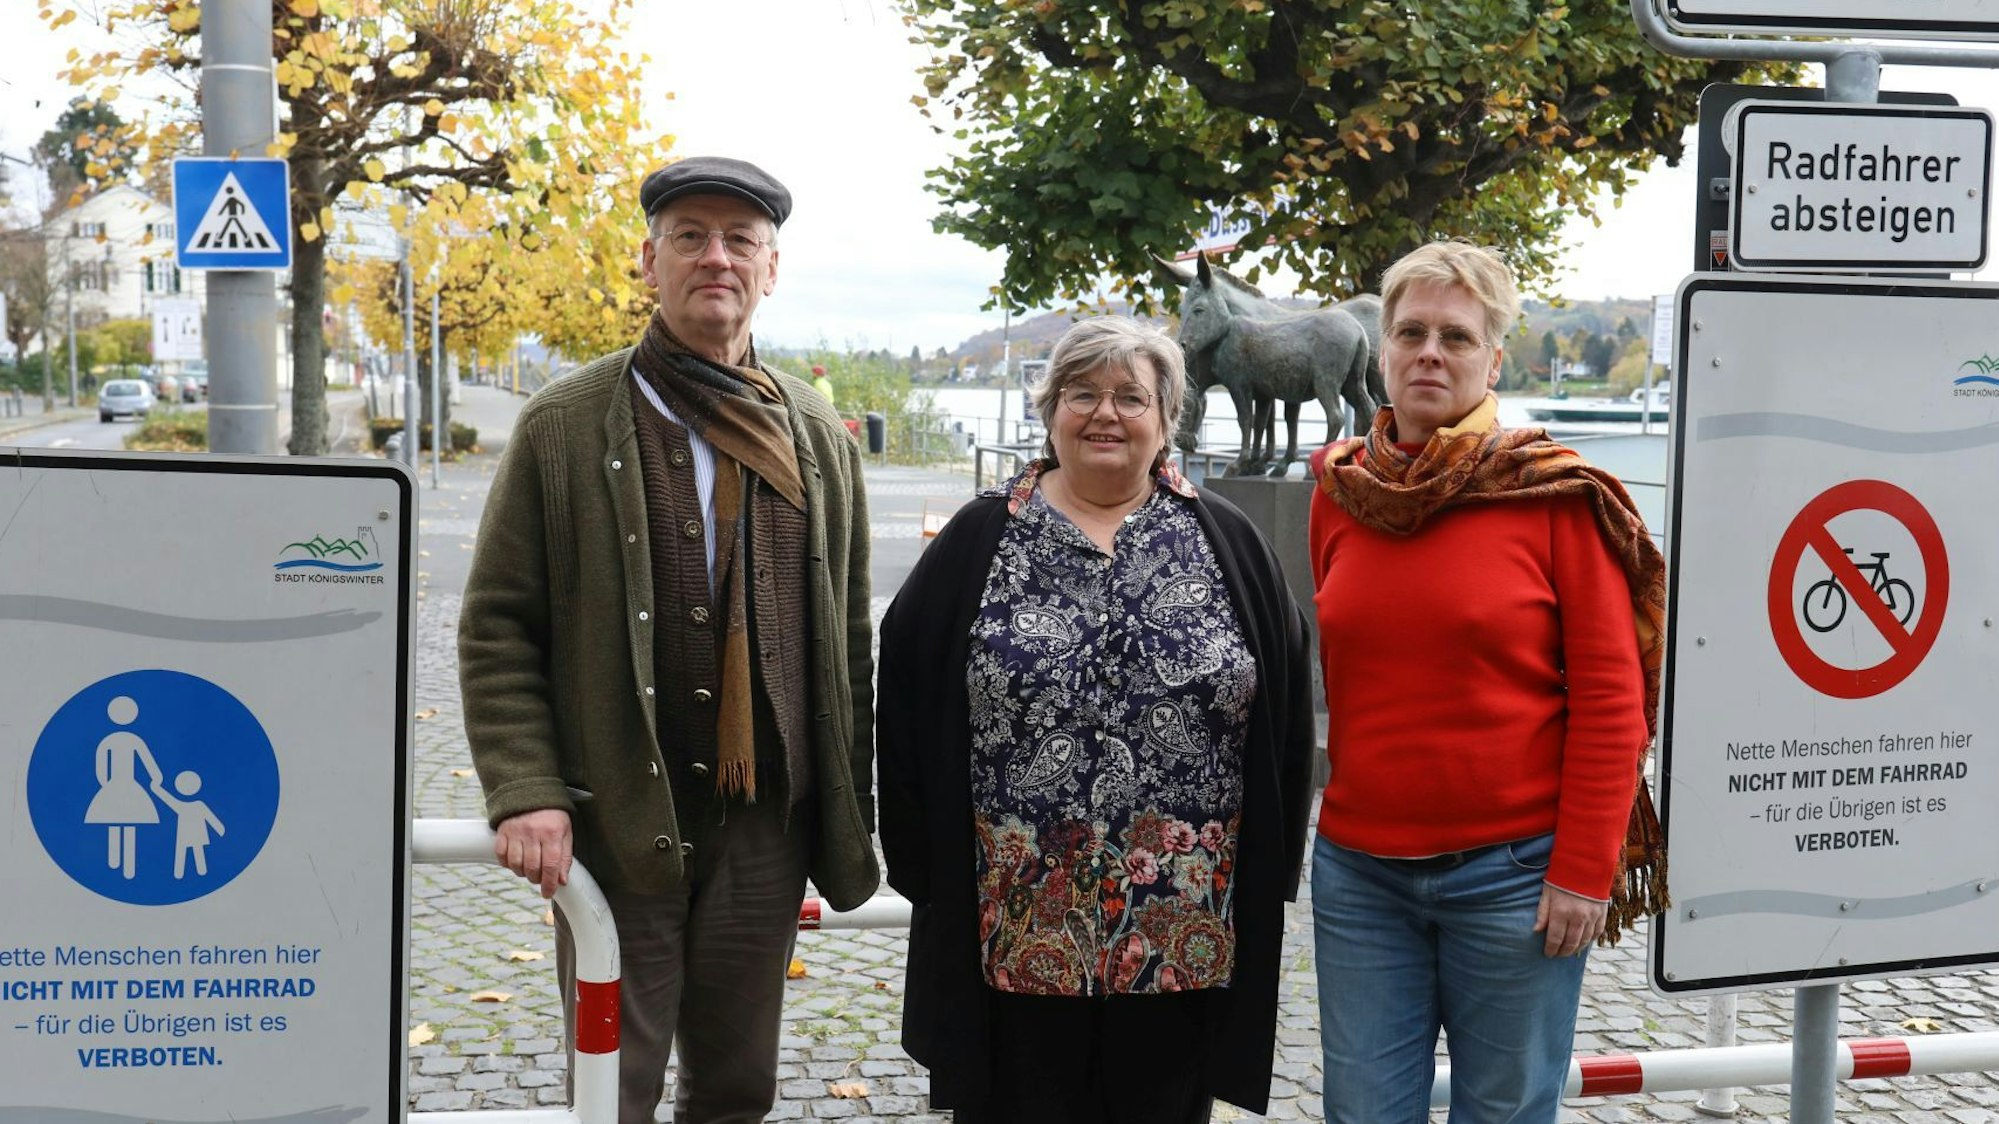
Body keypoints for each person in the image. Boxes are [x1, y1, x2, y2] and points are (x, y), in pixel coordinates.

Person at [459, 156, 879, 1124]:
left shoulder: (817, 434)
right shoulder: (563, 427)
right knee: (615, 1089)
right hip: (616, 819)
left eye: (740, 240)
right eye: (689, 236)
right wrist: (524, 789)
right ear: (648, 262)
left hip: (763, 828)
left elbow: (846, 638)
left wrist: (843, 807)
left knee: (738, 1087)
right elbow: (495, 627)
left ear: (771, 269)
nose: (715, 258)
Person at [877, 316, 1315, 1123]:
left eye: (1129, 396)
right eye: (1081, 393)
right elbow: (903, 695)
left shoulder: (1226, 542)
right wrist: (922, 870)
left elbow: (1283, 711)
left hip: (1182, 916)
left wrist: (1272, 870)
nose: (1105, 413)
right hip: (1013, 915)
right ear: (1050, 411)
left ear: (1165, 417)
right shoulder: (983, 536)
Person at [1306, 240, 1665, 1123]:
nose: (1429, 352)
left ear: (1493, 358)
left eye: (1456, 337)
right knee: (1361, 1112)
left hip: (1514, 878)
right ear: (1382, 349)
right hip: (1359, 875)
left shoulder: (1553, 496)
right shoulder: (1341, 489)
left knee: (1503, 1113)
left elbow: (1613, 700)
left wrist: (1584, 870)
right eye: (1410, 332)